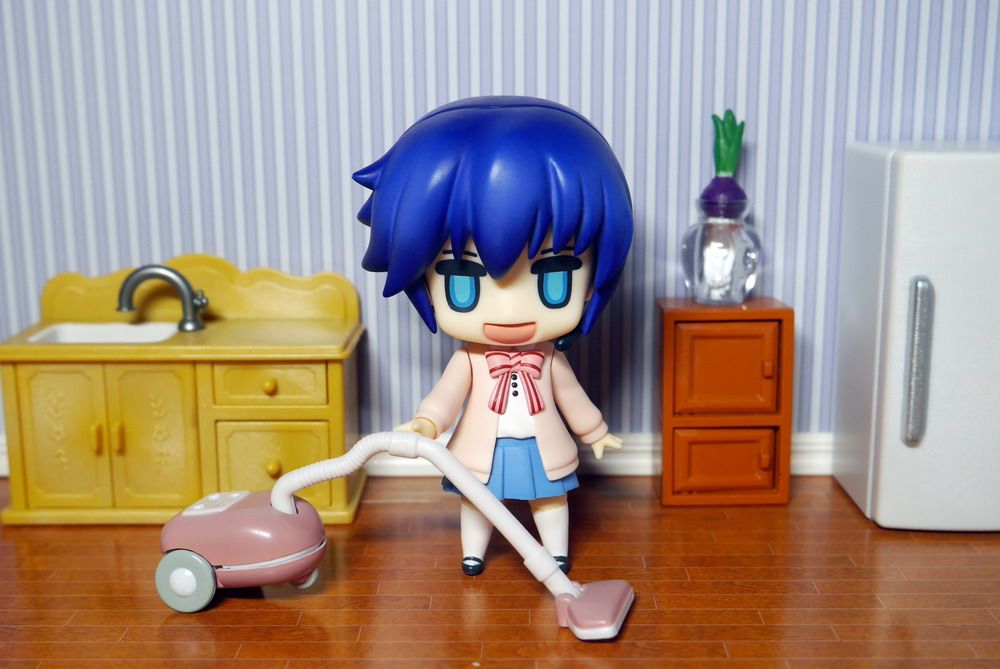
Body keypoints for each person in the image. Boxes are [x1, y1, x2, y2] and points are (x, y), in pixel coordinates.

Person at [354, 96, 633, 575]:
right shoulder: (469, 360)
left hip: (543, 444)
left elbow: (572, 398)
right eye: (463, 282)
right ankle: (473, 552)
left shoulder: (549, 360)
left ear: (592, 282)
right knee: (477, 498)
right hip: (480, 446)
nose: (507, 313)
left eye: (553, 279)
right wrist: (427, 423)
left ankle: (556, 552)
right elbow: (445, 398)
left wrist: (596, 432)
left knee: (550, 498)